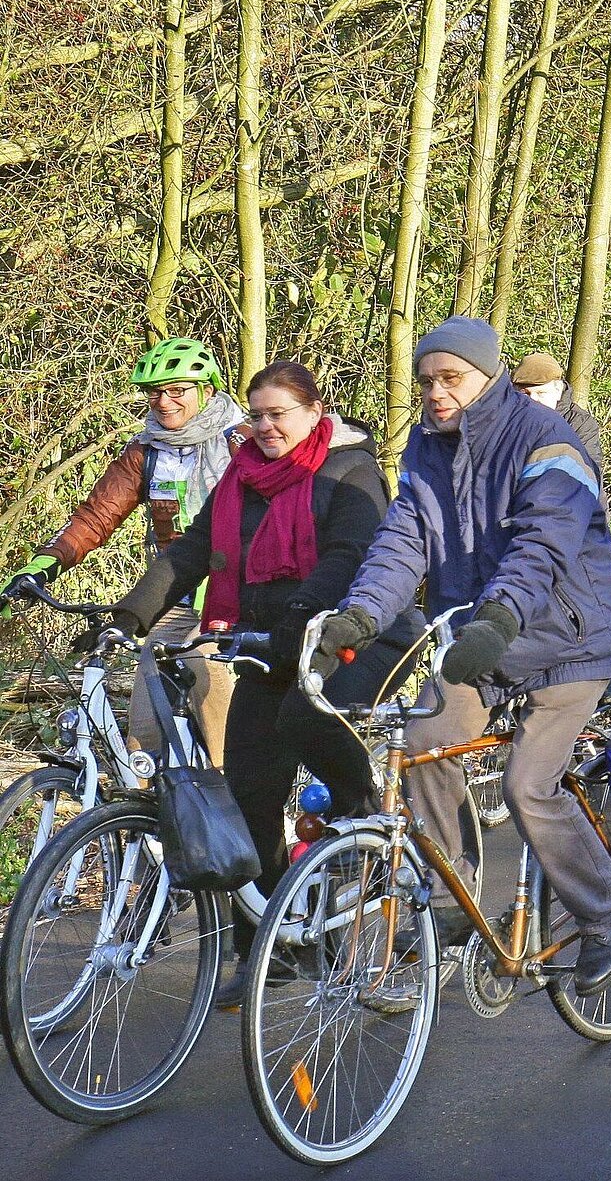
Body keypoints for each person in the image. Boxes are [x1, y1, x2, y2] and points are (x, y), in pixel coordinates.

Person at [311, 315, 611, 997]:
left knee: (527, 782)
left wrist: (502, 615)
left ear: (487, 376)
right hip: (479, 637)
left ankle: (606, 909)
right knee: (427, 738)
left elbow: (542, 544)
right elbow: (404, 542)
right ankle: (453, 894)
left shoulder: (549, 440)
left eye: (449, 377)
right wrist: (363, 613)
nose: (435, 391)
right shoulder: (429, 449)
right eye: (427, 379)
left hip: (569, 639)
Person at [101, 360, 418, 1006]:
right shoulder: (243, 475)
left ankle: (367, 813)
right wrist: (132, 615)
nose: (267, 427)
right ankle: (267, 948)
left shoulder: (349, 470)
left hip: (356, 636)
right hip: (270, 643)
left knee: (304, 722)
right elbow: (189, 551)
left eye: (280, 414)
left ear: (313, 411)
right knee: (247, 793)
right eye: (258, 415)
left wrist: (301, 621)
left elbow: (346, 562)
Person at [0, 338, 246, 766]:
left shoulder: (241, 442)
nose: (163, 402)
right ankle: (144, 812)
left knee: (206, 667)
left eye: (177, 390)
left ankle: (241, 790)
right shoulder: (145, 450)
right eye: (154, 392)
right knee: (145, 715)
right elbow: (96, 516)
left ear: (207, 389)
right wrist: (43, 567)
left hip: (236, 590)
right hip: (175, 591)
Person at [512, 351, 604, 473]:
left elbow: (588, 473)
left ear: (558, 390)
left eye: (541, 393)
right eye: (526, 393)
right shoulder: (505, 419)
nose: (533, 400)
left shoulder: (579, 423)